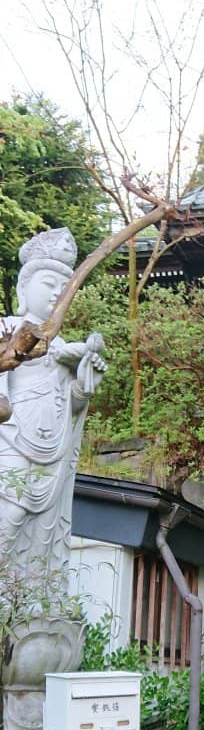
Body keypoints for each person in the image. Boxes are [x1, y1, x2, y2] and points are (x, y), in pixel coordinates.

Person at [0, 227, 107, 572]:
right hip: (11, 437)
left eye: (63, 289)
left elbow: (70, 405)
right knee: (11, 509)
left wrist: (84, 383)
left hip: (52, 445)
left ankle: (26, 592)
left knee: (42, 525)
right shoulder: (6, 328)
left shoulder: (61, 346)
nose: (55, 294)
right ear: (22, 288)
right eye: (48, 283)